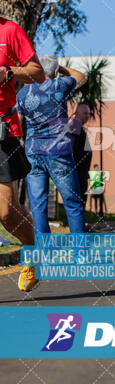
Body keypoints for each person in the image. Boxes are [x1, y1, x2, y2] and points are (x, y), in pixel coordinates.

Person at [17, 57, 87, 240]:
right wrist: (60, 69)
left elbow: (17, 121)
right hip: (58, 152)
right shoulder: (60, 85)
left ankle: (45, 253)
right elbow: (81, 76)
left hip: (33, 152)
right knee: (72, 202)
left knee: (38, 205)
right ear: (55, 72)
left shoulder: (23, 93)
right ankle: (80, 253)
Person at [0, 16, 45, 292]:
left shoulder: (10, 30)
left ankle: (31, 252)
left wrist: (7, 73)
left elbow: (37, 72)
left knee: (6, 211)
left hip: (3, 128)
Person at [71, 103, 92, 205]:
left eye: (88, 114)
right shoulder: (75, 127)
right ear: (77, 114)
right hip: (77, 175)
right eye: (84, 113)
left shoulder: (80, 128)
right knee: (78, 204)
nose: (87, 116)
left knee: (81, 203)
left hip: (81, 174)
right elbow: (72, 150)